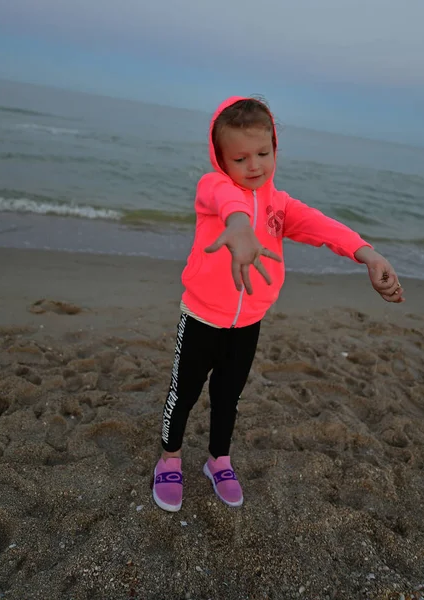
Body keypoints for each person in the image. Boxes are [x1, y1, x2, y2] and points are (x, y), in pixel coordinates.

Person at [152, 96, 404, 512]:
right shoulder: (212, 187)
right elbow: (226, 203)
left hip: (249, 321)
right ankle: (169, 458)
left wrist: (368, 254)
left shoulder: (278, 206)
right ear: (220, 158)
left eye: (264, 153)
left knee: (228, 396)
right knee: (185, 393)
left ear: (275, 150)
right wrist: (237, 224)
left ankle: (218, 460)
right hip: (201, 318)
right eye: (240, 157)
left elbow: (324, 227)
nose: (254, 165)